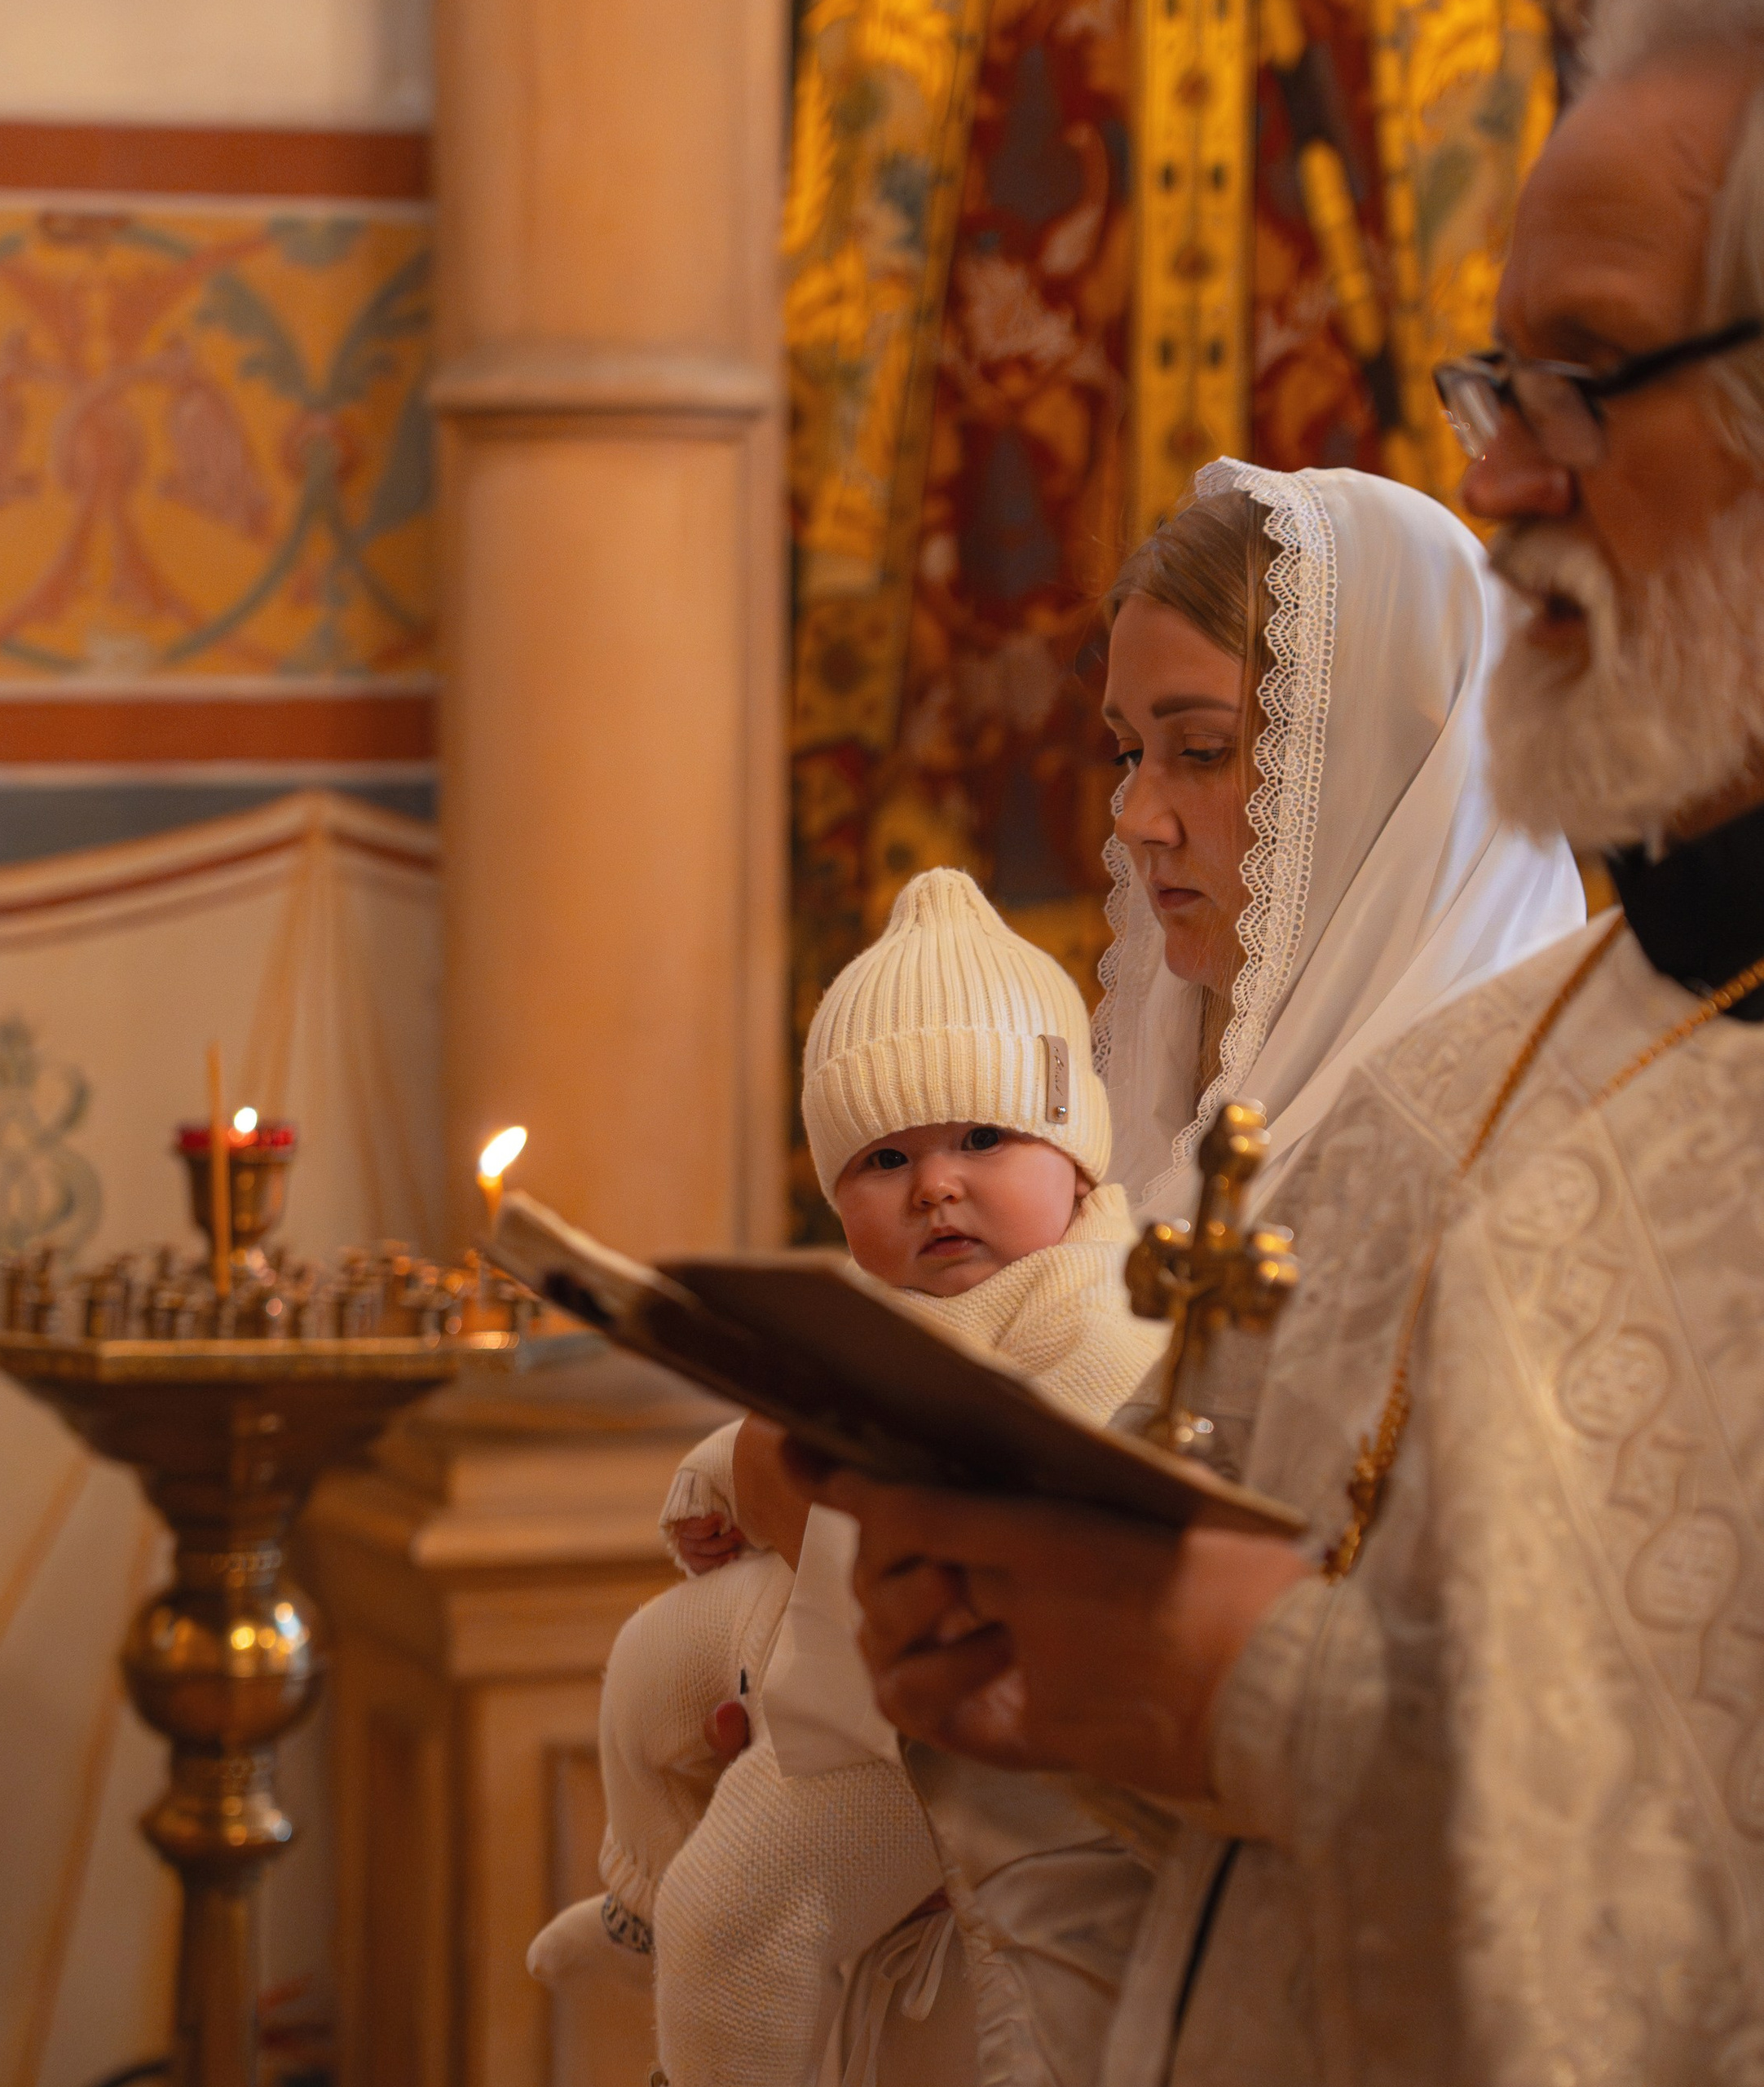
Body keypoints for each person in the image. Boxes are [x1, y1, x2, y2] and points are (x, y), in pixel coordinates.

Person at [815, 7, 1764, 2082]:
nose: (1498, 476)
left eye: (1580, 381)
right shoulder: (1443, 1094)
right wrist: (1009, 1654)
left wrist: (1245, 1698)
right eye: (1488, 387)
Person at [527, 866, 1166, 2087]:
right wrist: (721, 1476)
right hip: (828, 1602)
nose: (935, 1185)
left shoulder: (1095, 1300)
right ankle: (641, 1911)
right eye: (884, 1159)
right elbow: (810, 1420)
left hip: (925, 1700)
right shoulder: (893, 1302)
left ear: (1077, 1157)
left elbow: (1039, 1510)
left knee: (744, 1908)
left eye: (982, 1139)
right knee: (649, 1667)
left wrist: (783, 1486)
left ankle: (707, 1980)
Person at [1098, 460, 1585, 1222]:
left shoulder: (1527, 1145)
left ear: (1388, 770)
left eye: (1201, 749)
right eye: (1129, 753)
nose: (1136, 821)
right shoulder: (1153, 1103)